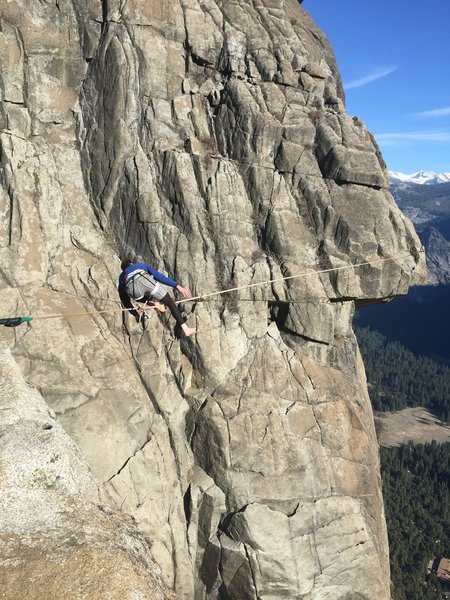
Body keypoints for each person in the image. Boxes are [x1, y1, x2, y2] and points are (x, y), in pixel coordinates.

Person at [118, 259, 197, 337]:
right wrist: (177, 286)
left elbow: (125, 300)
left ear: (123, 270)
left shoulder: (121, 277)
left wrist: (135, 314)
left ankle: (150, 302)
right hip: (144, 279)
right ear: (131, 264)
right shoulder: (139, 265)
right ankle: (186, 329)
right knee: (169, 302)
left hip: (133, 290)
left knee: (135, 295)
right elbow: (159, 277)